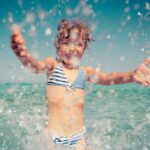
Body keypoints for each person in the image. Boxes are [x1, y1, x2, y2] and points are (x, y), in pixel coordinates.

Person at [10, 19, 150, 150]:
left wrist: (131, 75)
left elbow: (108, 78)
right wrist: (23, 55)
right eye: (66, 43)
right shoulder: (53, 65)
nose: (72, 48)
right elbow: (36, 67)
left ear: (85, 48)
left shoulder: (85, 72)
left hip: (78, 138)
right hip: (52, 137)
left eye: (78, 44)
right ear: (58, 45)